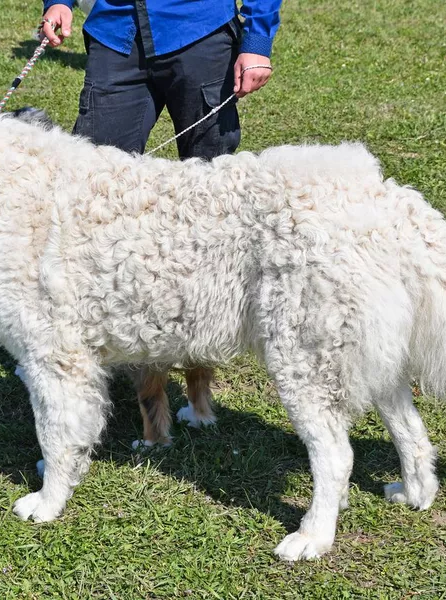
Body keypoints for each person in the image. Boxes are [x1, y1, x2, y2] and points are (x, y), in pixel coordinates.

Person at [35, 0, 283, 446]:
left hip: (199, 33)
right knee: (93, 207)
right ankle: (92, 362)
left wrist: (258, 39)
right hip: (116, 37)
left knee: (210, 218)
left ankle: (199, 385)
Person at [39, 0, 282, 158]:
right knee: (93, 174)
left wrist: (257, 41)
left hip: (201, 32)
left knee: (210, 178)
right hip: (116, 32)